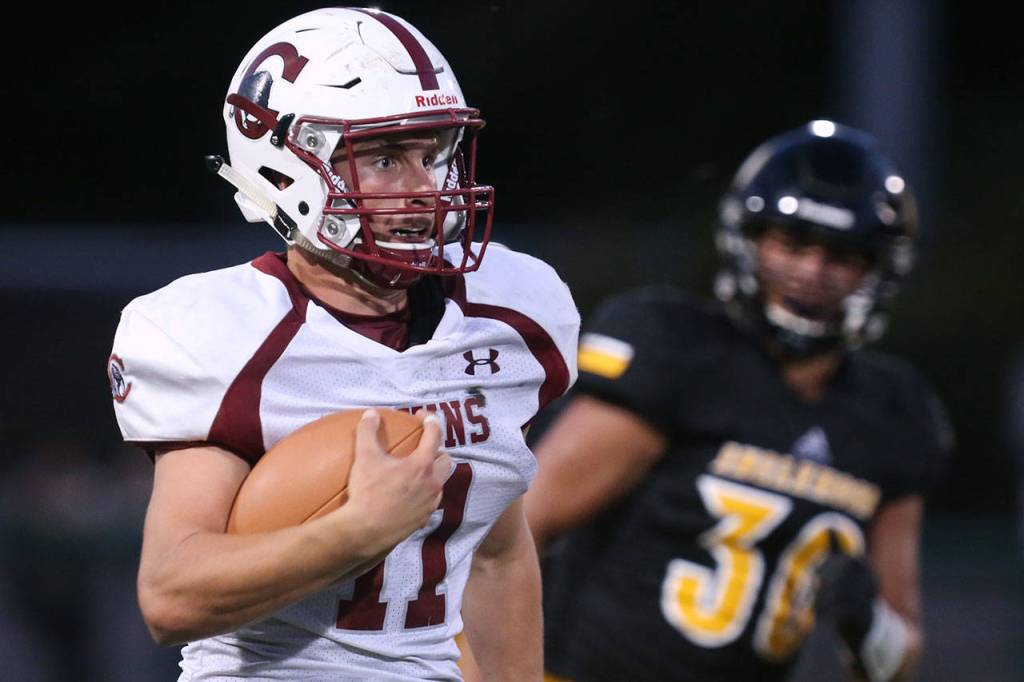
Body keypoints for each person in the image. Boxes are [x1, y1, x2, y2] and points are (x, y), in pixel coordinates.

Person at [107, 7, 579, 681]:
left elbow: (498, 551)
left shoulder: (512, 312)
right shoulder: (220, 333)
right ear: (279, 168)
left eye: (432, 154)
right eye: (385, 159)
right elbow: (171, 595)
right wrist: (356, 532)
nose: (424, 190)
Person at [525, 120, 952, 682]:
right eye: (792, 244)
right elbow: (518, 529)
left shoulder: (893, 409)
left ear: (877, 271)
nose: (811, 272)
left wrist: (868, 624)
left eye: (842, 256)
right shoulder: (679, 350)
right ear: (748, 239)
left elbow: (901, 656)